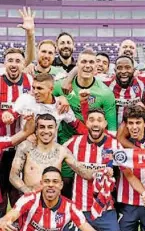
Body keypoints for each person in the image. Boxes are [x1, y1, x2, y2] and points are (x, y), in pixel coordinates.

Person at [53, 48, 117, 197]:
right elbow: (42, 97)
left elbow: (111, 131)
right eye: (83, 61)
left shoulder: (106, 93)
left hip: (92, 145)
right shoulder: (61, 86)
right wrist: (59, 98)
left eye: (91, 62)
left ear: (96, 67)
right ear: (77, 65)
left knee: (92, 187)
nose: (87, 65)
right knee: (65, 183)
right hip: (67, 142)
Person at [60, 108, 122, 231]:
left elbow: (127, 170)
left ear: (105, 123)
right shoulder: (74, 143)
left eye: (99, 120)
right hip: (80, 210)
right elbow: (55, 151)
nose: (95, 123)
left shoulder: (115, 145)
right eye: (92, 120)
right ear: (86, 122)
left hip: (105, 210)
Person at [9, 113, 94, 194]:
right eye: (42, 127)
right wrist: (28, 193)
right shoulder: (25, 147)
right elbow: (13, 176)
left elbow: (84, 173)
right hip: (31, 200)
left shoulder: (62, 151)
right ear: (36, 130)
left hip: (53, 201)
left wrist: (105, 169)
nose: (46, 131)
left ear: (55, 129)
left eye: (50, 127)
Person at [0, 48, 33, 216]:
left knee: (18, 193)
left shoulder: (30, 82)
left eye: (18, 61)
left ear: (23, 64)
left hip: (21, 149)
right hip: (1, 147)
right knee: (1, 194)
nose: (14, 64)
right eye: (10, 60)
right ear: (4, 63)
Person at [10, 73, 87, 136]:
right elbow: (11, 115)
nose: (35, 92)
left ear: (51, 90)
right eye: (33, 87)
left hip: (50, 151)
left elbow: (77, 126)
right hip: (26, 149)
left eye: (39, 88)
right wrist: (8, 115)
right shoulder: (25, 99)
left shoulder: (61, 105)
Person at [103, 55, 145, 125]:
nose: (123, 71)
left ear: (134, 70)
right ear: (115, 70)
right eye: (119, 68)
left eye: (127, 67)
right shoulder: (105, 83)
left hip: (133, 129)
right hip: (112, 128)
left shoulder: (142, 81)